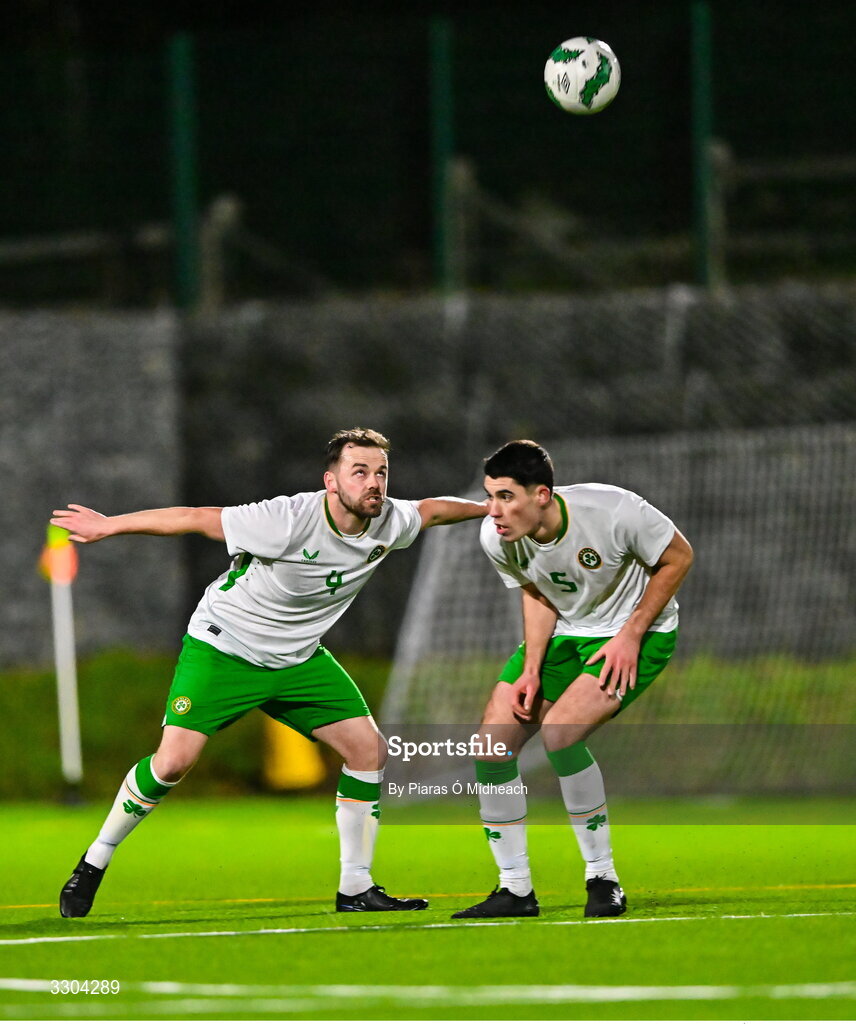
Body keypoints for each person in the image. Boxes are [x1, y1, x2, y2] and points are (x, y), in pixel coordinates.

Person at [53, 427, 486, 919]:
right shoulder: (285, 519)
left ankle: (355, 887)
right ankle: (94, 861)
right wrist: (110, 526)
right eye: (359, 471)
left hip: (299, 658)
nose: (374, 483)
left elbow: (435, 509)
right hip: (225, 646)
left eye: (381, 472)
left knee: (368, 751)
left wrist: (490, 505)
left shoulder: (391, 520)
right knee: (172, 764)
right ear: (331, 480)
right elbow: (194, 518)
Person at [452, 440, 693, 920]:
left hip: (638, 635)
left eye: (505, 496)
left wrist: (630, 635)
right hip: (568, 632)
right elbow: (538, 595)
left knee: (561, 736)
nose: (492, 510)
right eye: (489, 495)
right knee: (491, 745)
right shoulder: (496, 536)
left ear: (541, 494)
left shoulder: (613, 509)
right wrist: (532, 669)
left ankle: (603, 879)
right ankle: (514, 889)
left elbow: (679, 557)